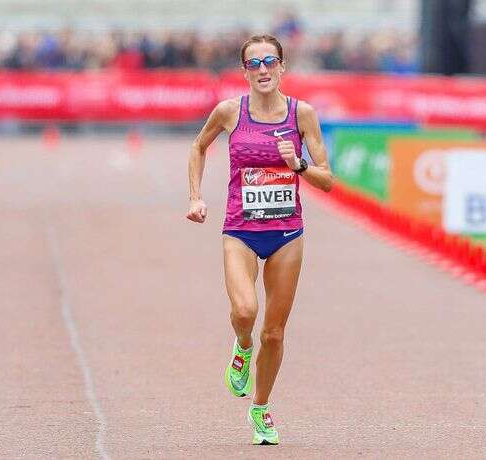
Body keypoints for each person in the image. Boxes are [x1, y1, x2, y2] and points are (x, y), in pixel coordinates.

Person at [186, 34, 333, 445]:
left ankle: (261, 408)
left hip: (286, 233)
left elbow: (328, 180)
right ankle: (241, 346)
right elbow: (198, 147)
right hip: (241, 230)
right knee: (247, 311)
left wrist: (298, 164)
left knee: (276, 331)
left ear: (282, 67)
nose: (263, 69)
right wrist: (195, 197)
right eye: (254, 63)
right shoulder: (230, 112)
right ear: (245, 71)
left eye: (270, 61)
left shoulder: (302, 115)